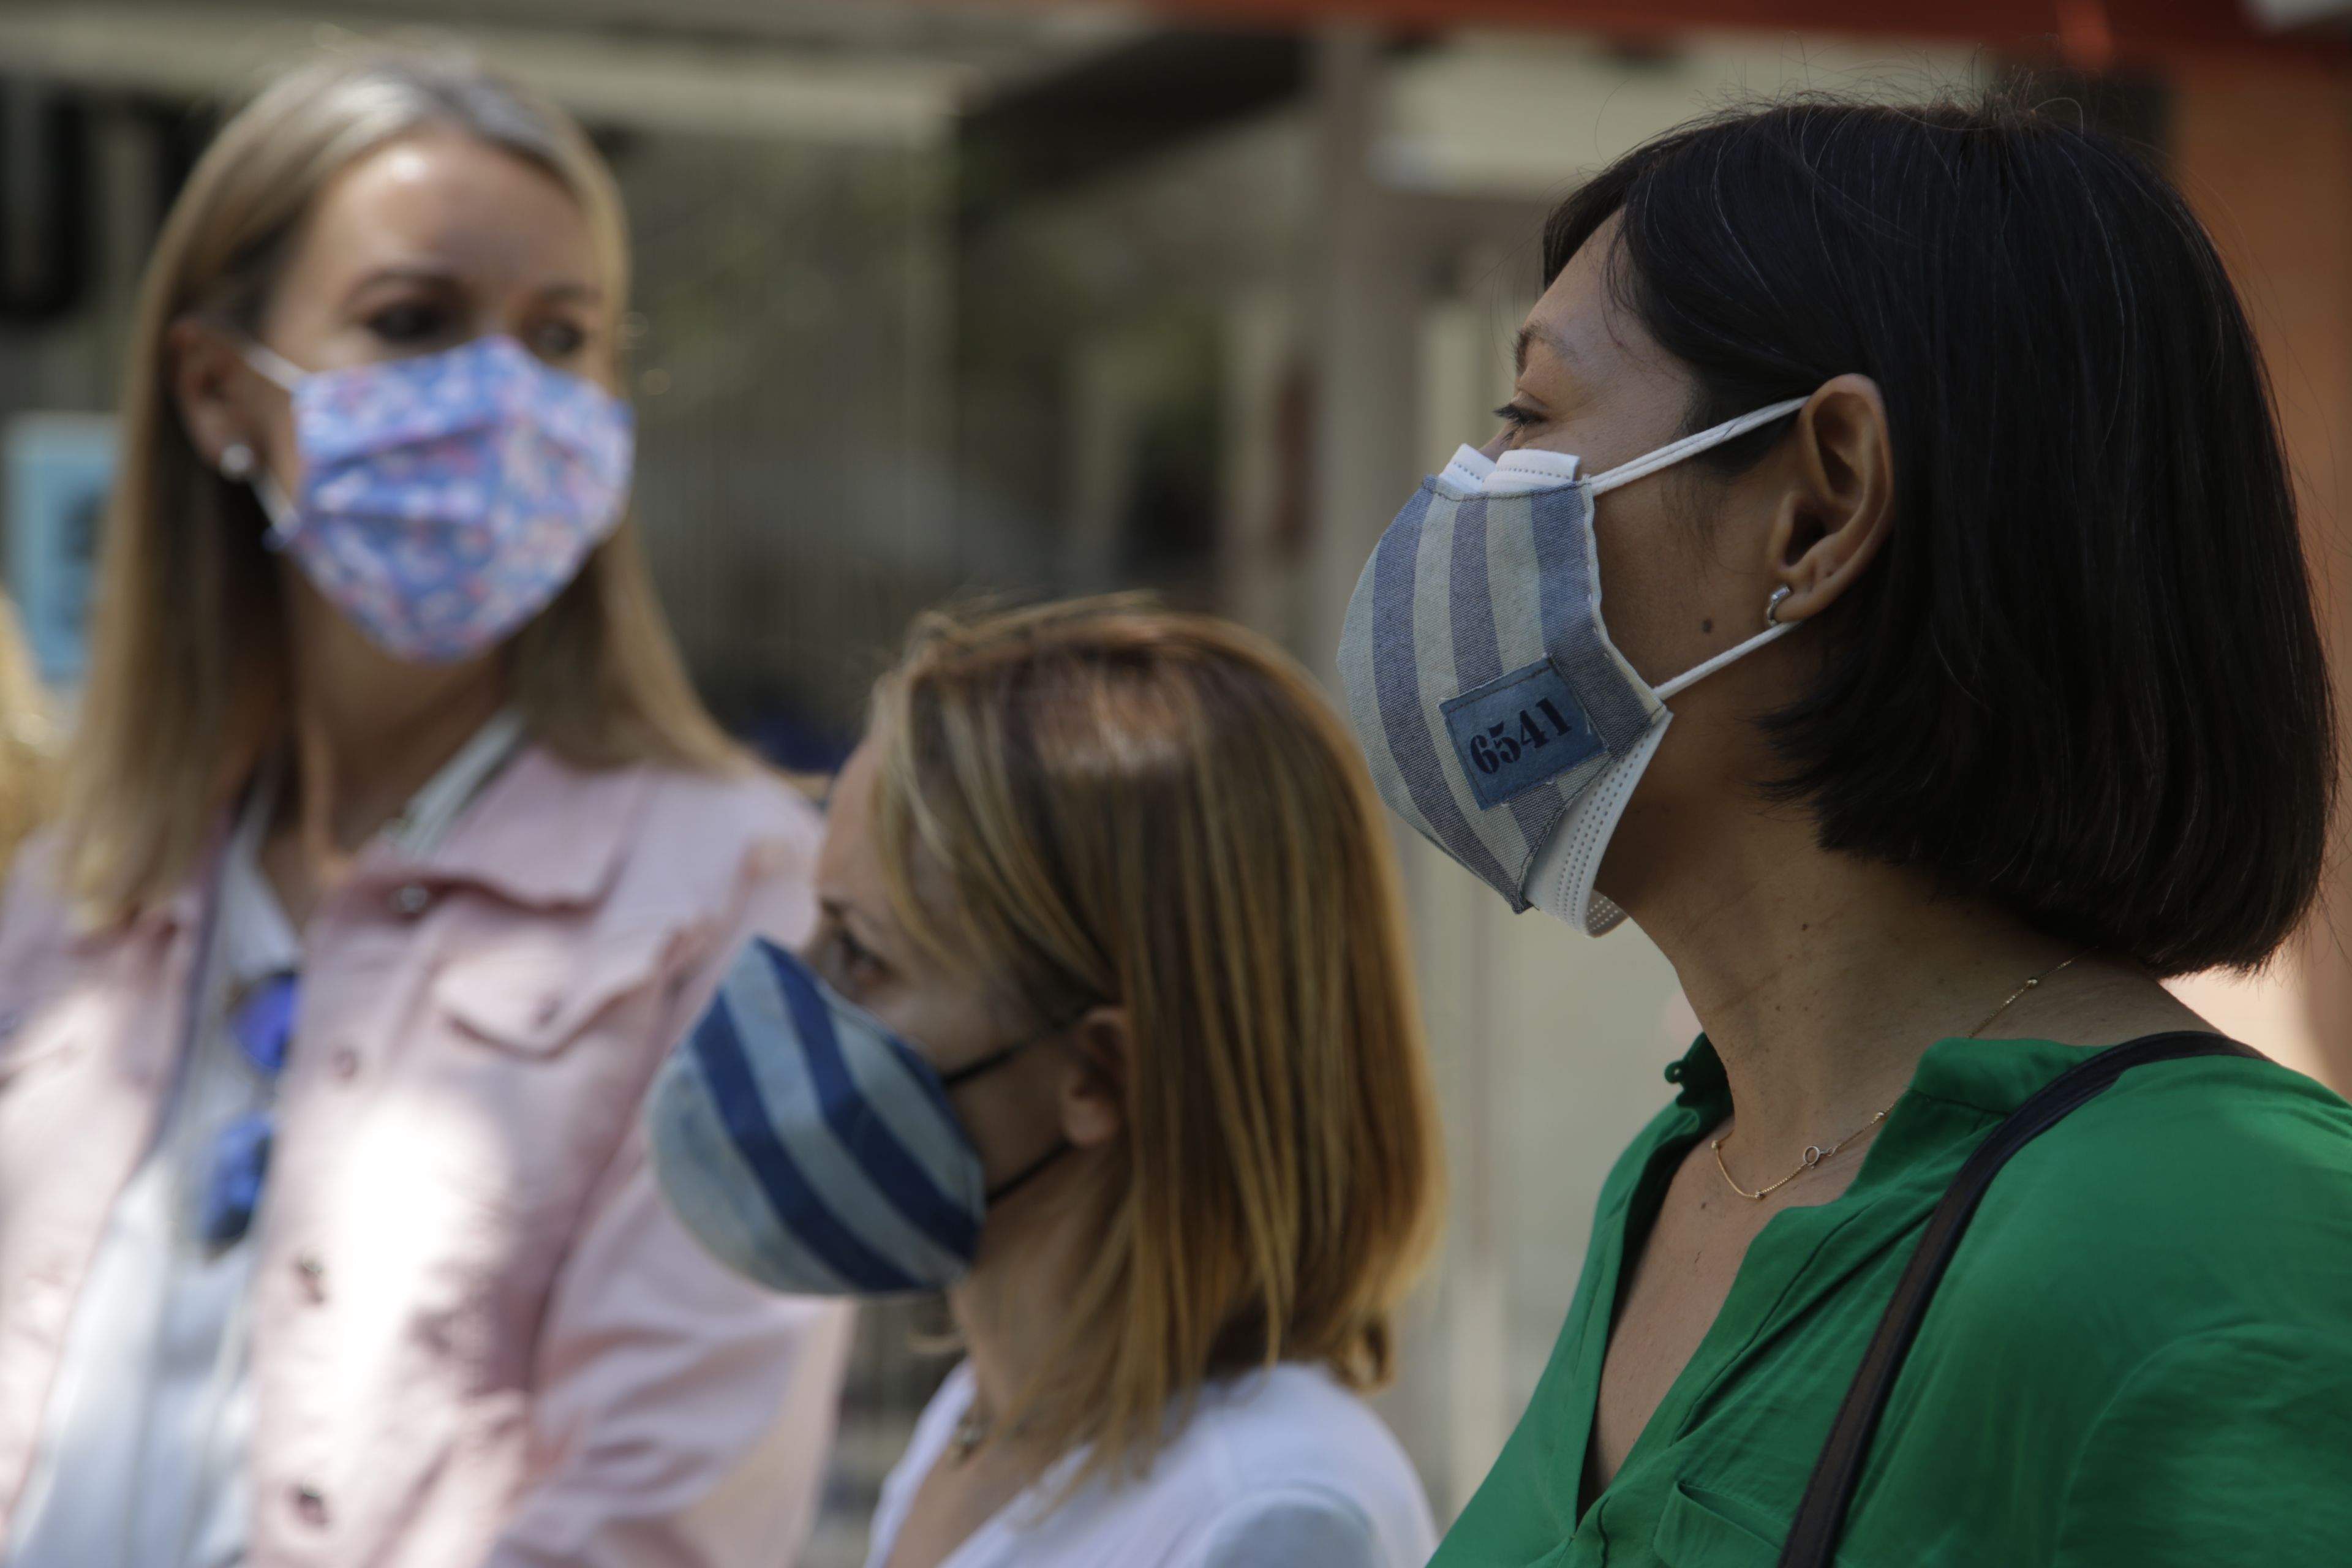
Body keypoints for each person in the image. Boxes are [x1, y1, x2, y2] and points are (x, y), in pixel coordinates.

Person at [1336, 96, 2352, 1565]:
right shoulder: (1683, 1177)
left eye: (1531, 417)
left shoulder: (2228, 1247)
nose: (1465, 494)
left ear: (1819, 510)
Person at [0, 49, 851, 1567]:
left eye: (562, 338)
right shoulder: (81, 892)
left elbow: (663, 1511)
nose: (504, 397)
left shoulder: (732, 891)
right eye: (414, 324)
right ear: (221, 394)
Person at [644, 599, 1446, 1568]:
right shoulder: (994, 1411)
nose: (784, 995)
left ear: (1098, 1074)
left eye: (860, 957)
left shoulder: (1269, 1513)